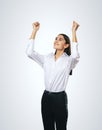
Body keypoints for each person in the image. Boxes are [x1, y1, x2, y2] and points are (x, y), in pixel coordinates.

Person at [26, 21, 80, 130]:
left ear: (66, 45)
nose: (56, 40)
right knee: (47, 128)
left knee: (61, 128)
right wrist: (34, 31)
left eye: (60, 39)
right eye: (56, 38)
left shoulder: (69, 61)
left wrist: (74, 31)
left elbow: (75, 55)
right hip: (46, 97)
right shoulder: (47, 58)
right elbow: (29, 53)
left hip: (59, 98)